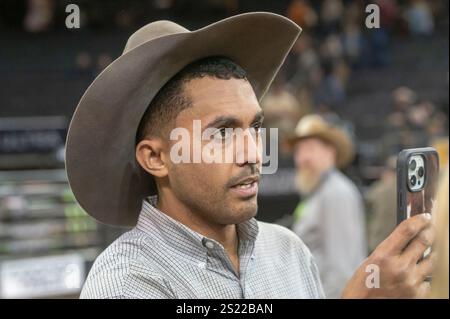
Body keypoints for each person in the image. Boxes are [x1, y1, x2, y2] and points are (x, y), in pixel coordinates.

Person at [65, 13, 435, 299]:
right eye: (223, 133)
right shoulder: (126, 282)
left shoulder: (288, 251)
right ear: (156, 158)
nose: (253, 153)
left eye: (255, 128)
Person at [290, 114, 367, 298]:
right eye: (298, 151)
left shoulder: (336, 193)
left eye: (309, 148)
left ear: (330, 151)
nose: (302, 158)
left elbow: (342, 272)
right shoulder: (317, 192)